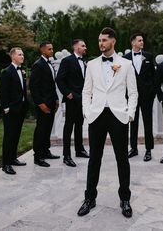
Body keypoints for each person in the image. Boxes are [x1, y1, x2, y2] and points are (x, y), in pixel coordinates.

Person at [77, 27, 138, 218]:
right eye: (99, 40)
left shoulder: (126, 64)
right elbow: (86, 91)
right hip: (96, 116)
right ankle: (89, 198)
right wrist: (87, 112)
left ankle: (125, 199)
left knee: (122, 159)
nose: (100, 43)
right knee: (94, 159)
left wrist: (130, 114)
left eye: (104, 40)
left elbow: (133, 92)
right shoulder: (92, 64)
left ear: (113, 41)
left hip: (118, 116)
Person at [56, 39, 89, 167]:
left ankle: (79, 150)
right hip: (71, 99)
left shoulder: (85, 62)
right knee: (68, 126)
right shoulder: (67, 61)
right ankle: (66, 155)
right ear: (75, 47)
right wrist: (67, 94)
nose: (85, 47)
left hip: (83, 99)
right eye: (83, 45)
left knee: (80, 125)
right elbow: (59, 79)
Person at [124, 33, 155, 161]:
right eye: (140, 40)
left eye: (142, 40)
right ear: (133, 42)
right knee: (133, 122)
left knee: (148, 122)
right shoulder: (125, 58)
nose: (142, 42)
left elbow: (153, 77)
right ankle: (134, 148)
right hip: (131, 96)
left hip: (147, 96)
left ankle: (148, 150)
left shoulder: (148, 56)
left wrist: (151, 93)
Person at [29, 42, 60, 167]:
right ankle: (38, 156)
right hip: (43, 104)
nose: (52, 51)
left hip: (52, 101)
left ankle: (46, 151)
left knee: (48, 128)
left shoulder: (50, 64)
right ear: (43, 51)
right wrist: (40, 103)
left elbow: (52, 85)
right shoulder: (38, 65)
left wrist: (56, 99)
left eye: (52, 48)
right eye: (49, 49)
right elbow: (33, 86)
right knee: (41, 129)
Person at [0, 47, 28, 174]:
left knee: (16, 135)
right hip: (10, 110)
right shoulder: (7, 72)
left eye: (22, 54)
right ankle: (6, 164)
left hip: (21, 108)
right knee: (9, 136)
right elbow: (3, 92)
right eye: (20, 54)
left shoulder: (22, 71)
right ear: (13, 57)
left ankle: (13, 158)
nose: (22, 56)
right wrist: (6, 108)